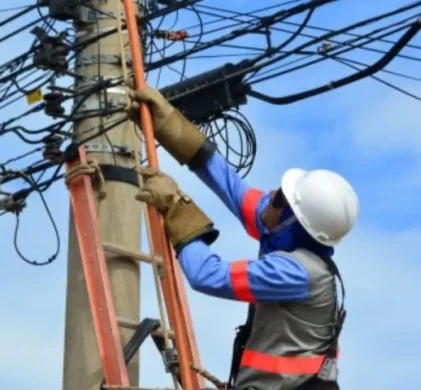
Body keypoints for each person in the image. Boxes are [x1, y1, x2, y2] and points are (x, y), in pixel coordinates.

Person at [127, 84, 359, 390]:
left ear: (294, 222)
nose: (271, 195)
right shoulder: (285, 233)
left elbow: (207, 275)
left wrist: (176, 208)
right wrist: (169, 124)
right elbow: (230, 185)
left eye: (280, 200)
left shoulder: (297, 273)